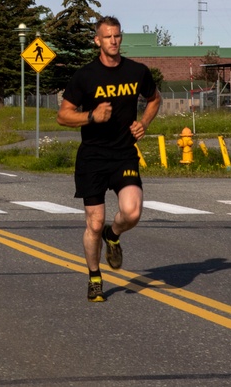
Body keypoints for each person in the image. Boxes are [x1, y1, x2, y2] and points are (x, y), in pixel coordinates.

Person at [57, 15, 161, 302]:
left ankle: (112, 235)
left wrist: (145, 123)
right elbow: (63, 115)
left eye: (117, 36)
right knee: (93, 222)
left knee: (132, 212)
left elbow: (154, 99)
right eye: (108, 37)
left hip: (124, 153)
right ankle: (94, 277)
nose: (114, 41)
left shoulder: (137, 71)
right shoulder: (85, 76)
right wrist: (91, 116)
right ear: (97, 41)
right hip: (92, 157)